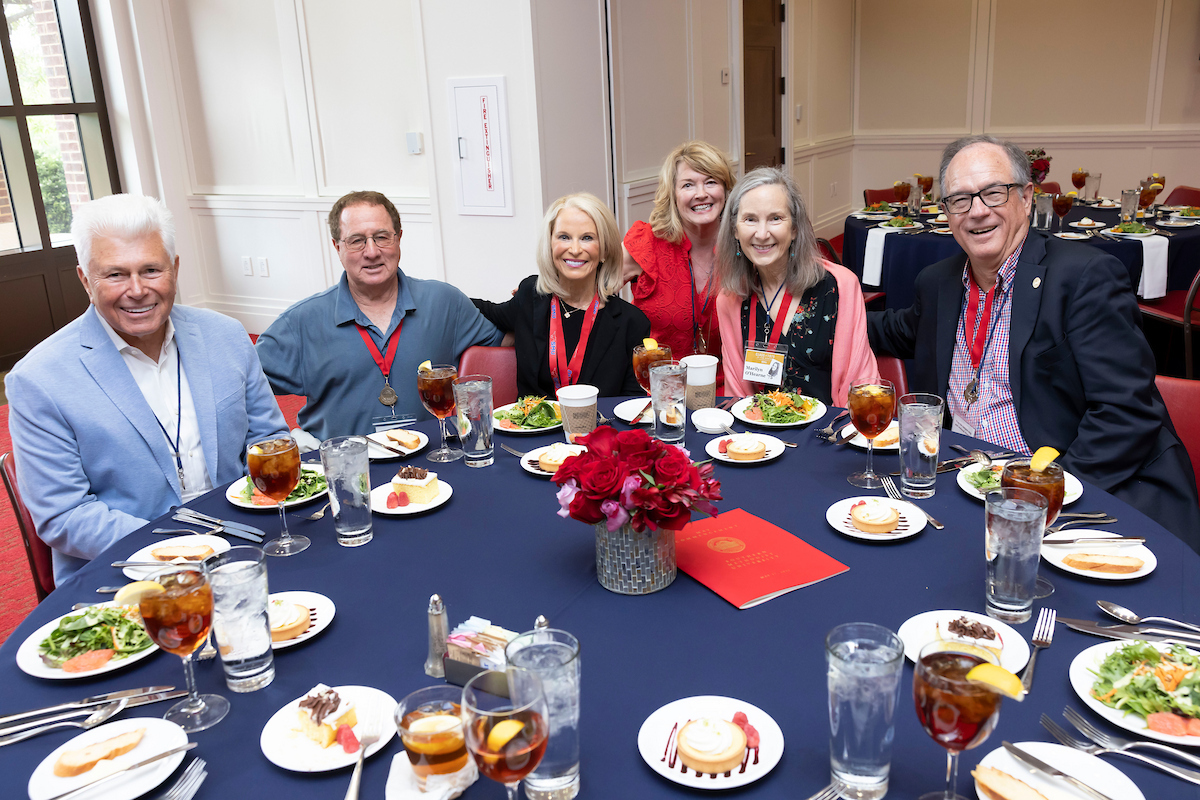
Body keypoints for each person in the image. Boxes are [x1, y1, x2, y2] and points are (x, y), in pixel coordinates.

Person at [868, 134, 1200, 549]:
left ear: (1026, 197)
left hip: (1079, 495)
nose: (977, 212)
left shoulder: (1083, 277)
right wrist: (823, 306)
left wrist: (1041, 496)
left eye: (992, 193)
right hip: (970, 485)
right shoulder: (938, 283)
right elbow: (896, 329)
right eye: (960, 199)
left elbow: (1125, 413)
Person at [5, 194, 288, 583]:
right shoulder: (39, 379)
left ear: (174, 268)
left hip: (248, 548)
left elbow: (270, 440)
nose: (137, 290)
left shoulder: (227, 335)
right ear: (86, 280)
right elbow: (64, 516)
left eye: (151, 270)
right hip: (126, 576)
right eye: (116, 274)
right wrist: (184, 548)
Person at [256, 191, 503, 439]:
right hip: (347, 468)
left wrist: (534, 303)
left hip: (431, 464)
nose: (372, 252)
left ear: (399, 239)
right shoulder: (301, 322)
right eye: (357, 241)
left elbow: (505, 348)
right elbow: (241, 386)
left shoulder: (444, 302)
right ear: (337, 246)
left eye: (382, 237)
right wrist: (278, 439)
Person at [715, 167, 879, 405]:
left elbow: (862, 387)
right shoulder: (731, 299)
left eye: (775, 218)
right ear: (734, 230)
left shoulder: (839, 286)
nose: (762, 234)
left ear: (794, 229)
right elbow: (738, 397)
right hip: (763, 437)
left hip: (830, 433)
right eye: (750, 219)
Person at [473, 192, 650, 398]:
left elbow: (630, 406)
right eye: (564, 237)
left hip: (600, 429)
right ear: (550, 244)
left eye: (587, 238)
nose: (574, 249)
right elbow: (481, 311)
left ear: (604, 250)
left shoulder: (633, 323)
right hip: (535, 428)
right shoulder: (531, 296)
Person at [622, 141, 734, 393]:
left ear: (726, 190)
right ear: (672, 194)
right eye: (688, 185)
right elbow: (587, 291)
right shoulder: (646, 244)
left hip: (728, 395)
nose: (701, 193)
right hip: (656, 393)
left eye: (711, 182)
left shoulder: (744, 246)